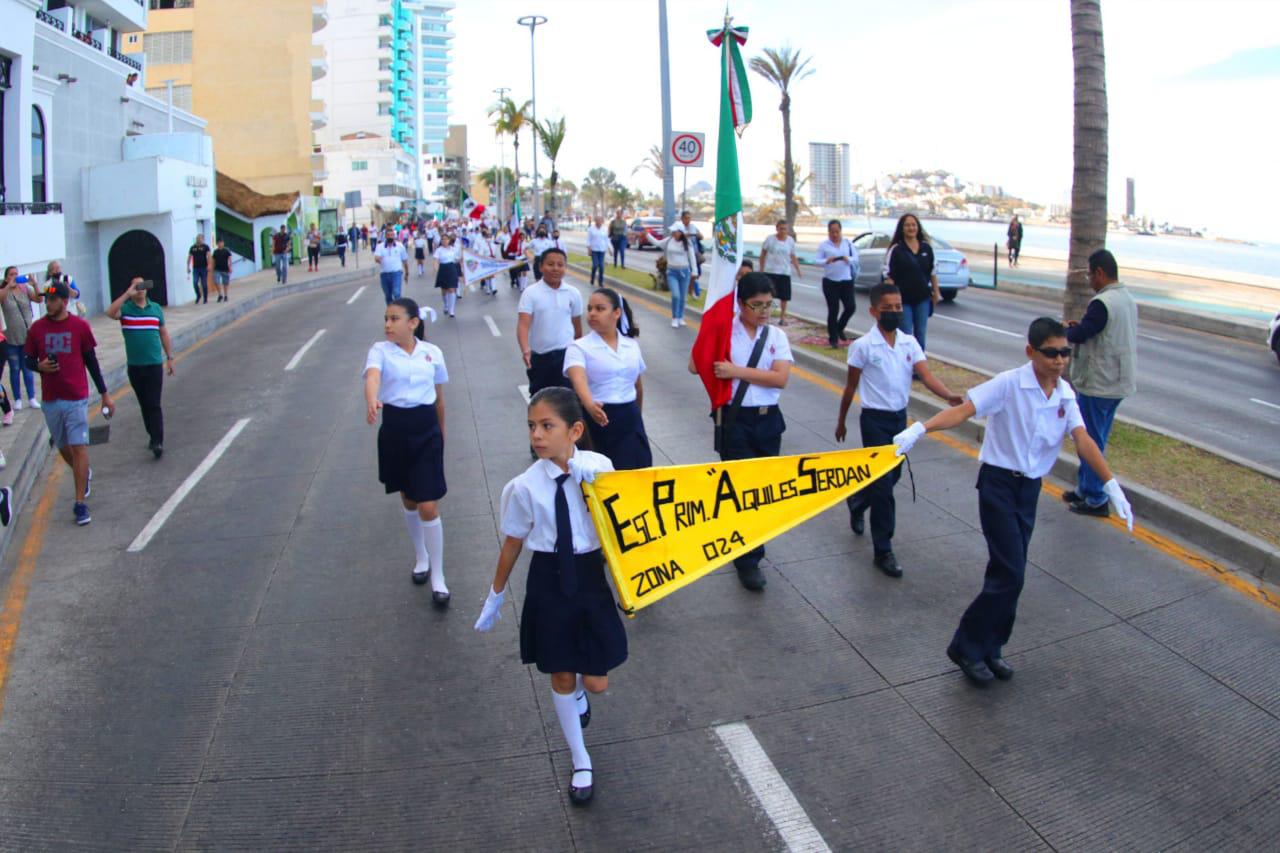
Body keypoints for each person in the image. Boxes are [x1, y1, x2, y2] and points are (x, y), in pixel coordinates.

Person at [891, 317, 1134, 686]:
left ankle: (991, 646)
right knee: (1012, 572)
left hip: (1029, 489)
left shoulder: (1065, 395)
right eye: (1051, 353)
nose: (1059, 360)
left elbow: (1083, 439)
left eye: (1065, 352)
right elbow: (964, 409)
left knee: (1008, 573)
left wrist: (1111, 484)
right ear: (1031, 352)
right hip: (999, 485)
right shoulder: (1009, 384)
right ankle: (966, 646)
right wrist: (920, 428)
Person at [474, 387, 625, 806]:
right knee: (560, 672)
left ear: (575, 430)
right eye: (531, 427)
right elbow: (513, 542)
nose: (537, 436)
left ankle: (578, 691)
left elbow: (622, 524)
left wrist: (596, 491)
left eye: (546, 426)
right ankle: (580, 760)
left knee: (595, 682)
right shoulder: (525, 486)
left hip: (590, 577)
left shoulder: (600, 468)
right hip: (549, 580)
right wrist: (495, 594)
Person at [835, 283, 963, 577]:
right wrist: (841, 420)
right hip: (874, 421)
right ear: (873, 311)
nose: (894, 313)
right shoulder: (863, 346)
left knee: (893, 477)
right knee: (884, 489)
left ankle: (857, 501)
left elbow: (926, 375)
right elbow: (851, 386)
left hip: (898, 421)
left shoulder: (909, 343)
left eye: (898, 307)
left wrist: (948, 396)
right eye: (887, 308)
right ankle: (884, 550)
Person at [688, 273, 793, 591]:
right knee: (742, 491)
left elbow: (780, 379)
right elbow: (695, 365)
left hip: (768, 420)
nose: (764, 311)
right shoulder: (725, 330)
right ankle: (748, 561)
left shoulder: (776, 336)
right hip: (735, 422)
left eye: (768, 305)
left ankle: (751, 549)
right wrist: (709, 337)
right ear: (741, 304)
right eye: (756, 305)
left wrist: (736, 371)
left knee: (761, 492)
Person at [364, 297, 451, 604]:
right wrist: (372, 400)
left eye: (394, 319)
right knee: (409, 497)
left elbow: (439, 398)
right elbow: (373, 376)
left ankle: (438, 577)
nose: (388, 324)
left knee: (429, 503)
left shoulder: (432, 353)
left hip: (426, 428)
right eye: (386, 318)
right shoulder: (380, 351)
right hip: (396, 430)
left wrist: (441, 433)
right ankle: (421, 556)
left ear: (413, 323)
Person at [24, 281, 115, 526]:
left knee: (78, 447)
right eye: (46, 299)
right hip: (51, 399)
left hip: (76, 397)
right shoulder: (37, 329)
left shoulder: (80, 326)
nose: (48, 303)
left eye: (53, 300)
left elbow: (91, 361)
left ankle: (79, 504)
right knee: (63, 448)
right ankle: (82, 474)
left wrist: (105, 393)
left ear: (65, 302)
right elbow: (27, 359)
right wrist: (38, 366)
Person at [1062, 249, 1137, 519]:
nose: (1089, 280)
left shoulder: (1102, 303)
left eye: (1089, 274)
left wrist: (1066, 331)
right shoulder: (1126, 298)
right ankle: (1086, 488)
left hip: (1099, 382)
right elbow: (1102, 330)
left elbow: (1084, 333)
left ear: (1100, 273)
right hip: (1118, 380)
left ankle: (1095, 497)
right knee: (1096, 436)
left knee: (1090, 439)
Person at [564, 289, 651, 470]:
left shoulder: (631, 345)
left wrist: (636, 416)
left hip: (630, 418)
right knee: (602, 476)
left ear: (617, 313)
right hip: (598, 418)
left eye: (600, 308)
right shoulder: (579, 347)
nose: (592, 313)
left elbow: (638, 386)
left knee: (638, 472)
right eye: (590, 309)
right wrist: (589, 404)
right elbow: (578, 379)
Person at [106, 276, 174, 458]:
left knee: (154, 403)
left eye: (143, 285)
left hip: (153, 365)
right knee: (144, 404)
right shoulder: (126, 310)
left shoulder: (156, 309)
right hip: (135, 367)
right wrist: (127, 294)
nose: (141, 289)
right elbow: (110, 312)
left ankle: (158, 440)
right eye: (137, 286)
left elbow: (164, 333)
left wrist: (170, 357)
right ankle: (152, 435)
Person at [518, 248, 582, 398]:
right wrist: (525, 350)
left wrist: (579, 351)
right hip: (540, 358)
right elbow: (523, 324)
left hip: (566, 356)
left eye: (560, 265)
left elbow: (577, 326)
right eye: (550, 264)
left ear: (565, 268)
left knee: (567, 401)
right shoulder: (531, 293)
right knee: (540, 400)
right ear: (541, 267)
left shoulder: (573, 293)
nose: (555, 268)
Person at [882, 214, 941, 352]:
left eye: (913, 225)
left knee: (920, 334)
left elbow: (933, 272)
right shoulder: (896, 250)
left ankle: (919, 367)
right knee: (906, 333)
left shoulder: (926, 248)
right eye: (907, 225)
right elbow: (888, 276)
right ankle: (905, 364)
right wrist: (890, 299)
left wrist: (936, 293)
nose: (911, 228)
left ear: (918, 227)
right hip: (903, 300)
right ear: (902, 228)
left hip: (922, 298)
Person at [1, 267, 41, 411]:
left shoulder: (25, 289)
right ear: (6, 278)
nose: (15, 277)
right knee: (14, 368)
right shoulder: (4, 291)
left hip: (26, 336)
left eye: (16, 274)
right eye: (11, 275)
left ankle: (31, 398)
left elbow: (39, 298)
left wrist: (34, 284)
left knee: (27, 368)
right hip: (11, 337)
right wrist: (8, 286)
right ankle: (17, 399)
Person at [815, 219, 859, 348]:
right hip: (830, 281)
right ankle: (833, 338)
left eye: (837, 232)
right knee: (833, 310)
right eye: (832, 232)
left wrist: (847, 259)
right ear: (828, 232)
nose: (834, 235)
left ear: (841, 231)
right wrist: (826, 261)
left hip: (846, 280)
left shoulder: (848, 244)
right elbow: (816, 261)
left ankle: (840, 327)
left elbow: (855, 258)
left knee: (851, 307)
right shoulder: (824, 245)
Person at [645, 227, 698, 328]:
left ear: (681, 232)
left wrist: (694, 271)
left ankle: (680, 317)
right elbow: (657, 243)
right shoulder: (669, 240)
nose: (674, 233)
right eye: (673, 232)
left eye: (676, 232)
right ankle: (674, 317)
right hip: (672, 272)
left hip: (684, 272)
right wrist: (648, 235)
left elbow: (692, 257)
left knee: (683, 297)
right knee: (676, 295)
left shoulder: (687, 242)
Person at [759, 220, 801, 326]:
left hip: (784, 272)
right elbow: (763, 254)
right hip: (770, 271)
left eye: (785, 228)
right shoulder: (770, 239)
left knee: (784, 297)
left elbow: (793, 256)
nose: (783, 231)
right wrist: (761, 269)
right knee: (769, 296)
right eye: (781, 228)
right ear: (777, 228)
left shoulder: (790, 241)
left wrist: (798, 269)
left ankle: (782, 317)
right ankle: (767, 316)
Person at [373, 234, 409, 305]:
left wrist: (407, 273)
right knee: (388, 295)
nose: (390, 237)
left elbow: (405, 261)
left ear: (394, 236)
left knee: (396, 293)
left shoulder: (400, 246)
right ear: (385, 237)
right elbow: (376, 257)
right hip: (384, 274)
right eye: (388, 235)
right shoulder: (380, 246)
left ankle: (399, 310)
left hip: (396, 273)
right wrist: (378, 259)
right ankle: (391, 313)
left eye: (392, 235)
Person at [433, 234, 461, 318]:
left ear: (449, 240)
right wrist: (436, 268)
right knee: (444, 290)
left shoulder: (453, 249)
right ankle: (446, 305)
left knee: (452, 289)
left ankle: (451, 310)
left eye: (446, 239)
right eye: (443, 239)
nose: (444, 241)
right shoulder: (439, 250)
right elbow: (435, 261)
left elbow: (458, 259)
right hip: (443, 268)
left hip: (452, 268)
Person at [586, 216, 610, 286]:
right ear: (595, 221)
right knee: (595, 265)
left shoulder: (605, 229)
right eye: (597, 221)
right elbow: (588, 240)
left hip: (602, 250)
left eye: (600, 221)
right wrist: (589, 249)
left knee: (601, 266)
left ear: (602, 221)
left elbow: (607, 239)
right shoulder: (591, 229)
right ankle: (592, 278)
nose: (599, 222)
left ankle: (600, 282)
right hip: (594, 250)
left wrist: (609, 248)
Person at [188, 234, 212, 304]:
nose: (198, 239)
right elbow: (189, 257)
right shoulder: (192, 247)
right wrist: (188, 267)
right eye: (197, 238)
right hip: (195, 268)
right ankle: (198, 295)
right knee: (195, 282)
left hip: (204, 268)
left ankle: (205, 298)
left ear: (203, 239)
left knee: (204, 283)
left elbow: (209, 256)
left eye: (200, 238)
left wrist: (209, 264)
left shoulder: (206, 247)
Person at [211, 238, 232, 302]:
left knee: (225, 283)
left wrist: (230, 267)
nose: (220, 244)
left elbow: (230, 259)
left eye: (221, 242)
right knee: (216, 281)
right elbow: (213, 260)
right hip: (217, 269)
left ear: (223, 243)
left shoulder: (226, 251)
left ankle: (226, 295)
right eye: (219, 243)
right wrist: (212, 268)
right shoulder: (215, 251)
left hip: (225, 268)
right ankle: (220, 294)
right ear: (217, 244)